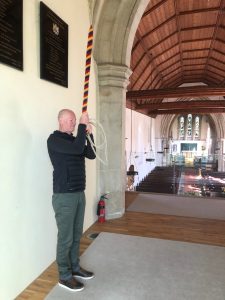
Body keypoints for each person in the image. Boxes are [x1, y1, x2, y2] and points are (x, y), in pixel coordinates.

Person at [47, 109, 96, 292]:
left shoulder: (74, 139)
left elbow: (91, 154)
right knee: (66, 238)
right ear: (60, 120)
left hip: (78, 194)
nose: (74, 123)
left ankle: (75, 267)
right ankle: (64, 276)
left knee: (76, 235)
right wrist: (83, 127)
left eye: (76, 121)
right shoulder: (54, 140)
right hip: (64, 196)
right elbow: (76, 149)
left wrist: (90, 135)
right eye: (71, 120)